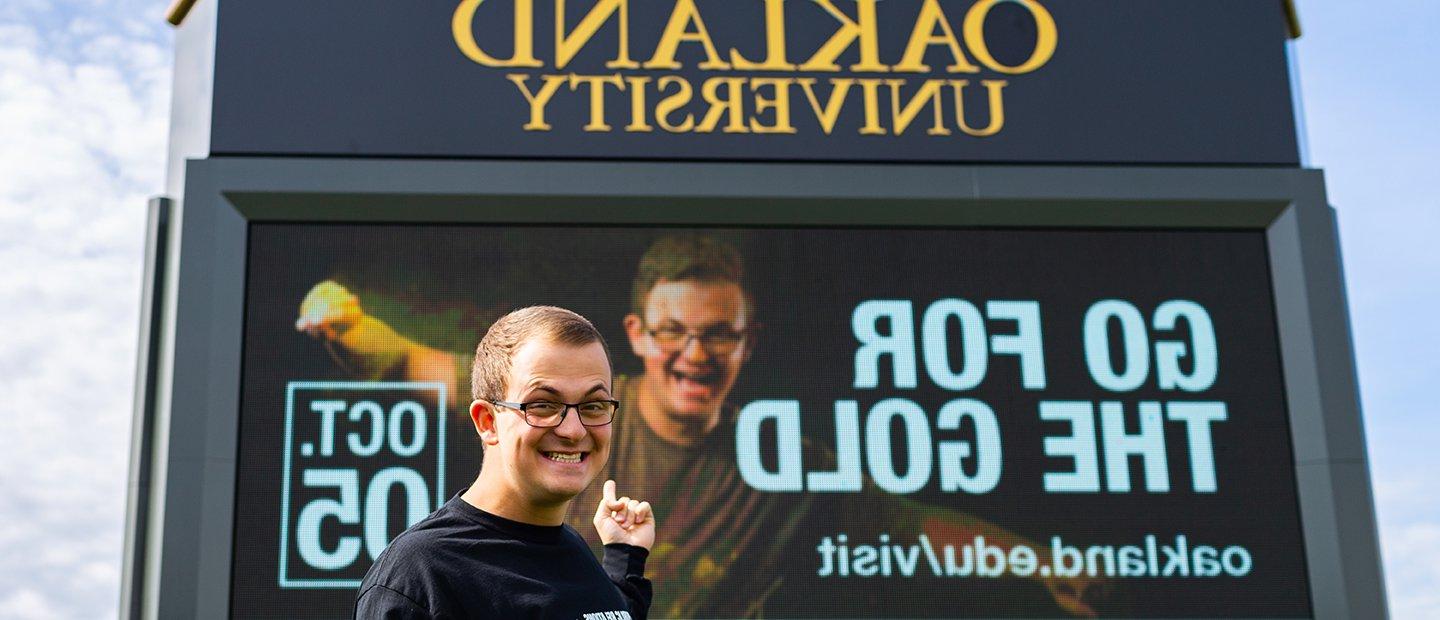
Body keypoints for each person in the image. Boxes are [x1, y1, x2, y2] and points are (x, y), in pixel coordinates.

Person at [304, 236, 1103, 617]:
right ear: (641, 337)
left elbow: (913, 523)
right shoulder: (424, 572)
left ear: (747, 344)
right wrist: (346, 324)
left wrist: (1038, 558)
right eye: (674, 333)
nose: (696, 353)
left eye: (718, 333)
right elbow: (420, 362)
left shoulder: (780, 462)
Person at [353, 306, 656, 619]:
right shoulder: (421, 574)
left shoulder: (576, 554)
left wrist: (625, 560)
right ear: (487, 421)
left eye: (593, 406)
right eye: (542, 405)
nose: (573, 430)